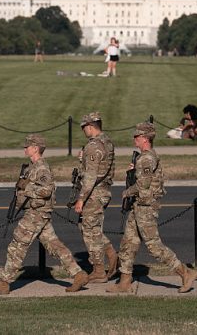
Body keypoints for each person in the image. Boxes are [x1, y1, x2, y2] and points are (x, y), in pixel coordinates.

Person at [0, 135, 89, 294]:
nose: (25, 148)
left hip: (36, 213)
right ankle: (79, 274)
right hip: (36, 213)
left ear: (36, 148)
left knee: (18, 245)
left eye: (28, 146)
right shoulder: (31, 167)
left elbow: (46, 191)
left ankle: (4, 282)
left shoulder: (41, 168)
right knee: (55, 246)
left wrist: (26, 188)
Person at [107, 122, 196, 293]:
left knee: (154, 246)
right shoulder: (144, 157)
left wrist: (127, 191)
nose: (135, 139)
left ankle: (185, 272)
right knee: (128, 243)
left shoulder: (147, 158)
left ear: (145, 139)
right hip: (138, 206)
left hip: (146, 207)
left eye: (137, 136)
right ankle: (125, 281)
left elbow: (143, 185)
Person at [73, 112, 118, 283]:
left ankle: (99, 269)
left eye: (84, 127)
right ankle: (111, 256)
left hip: (94, 193)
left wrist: (81, 198)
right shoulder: (106, 142)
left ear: (90, 126)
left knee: (90, 231)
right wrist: (82, 159)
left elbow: (91, 175)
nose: (83, 130)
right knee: (87, 227)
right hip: (103, 191)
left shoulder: (93, 146)